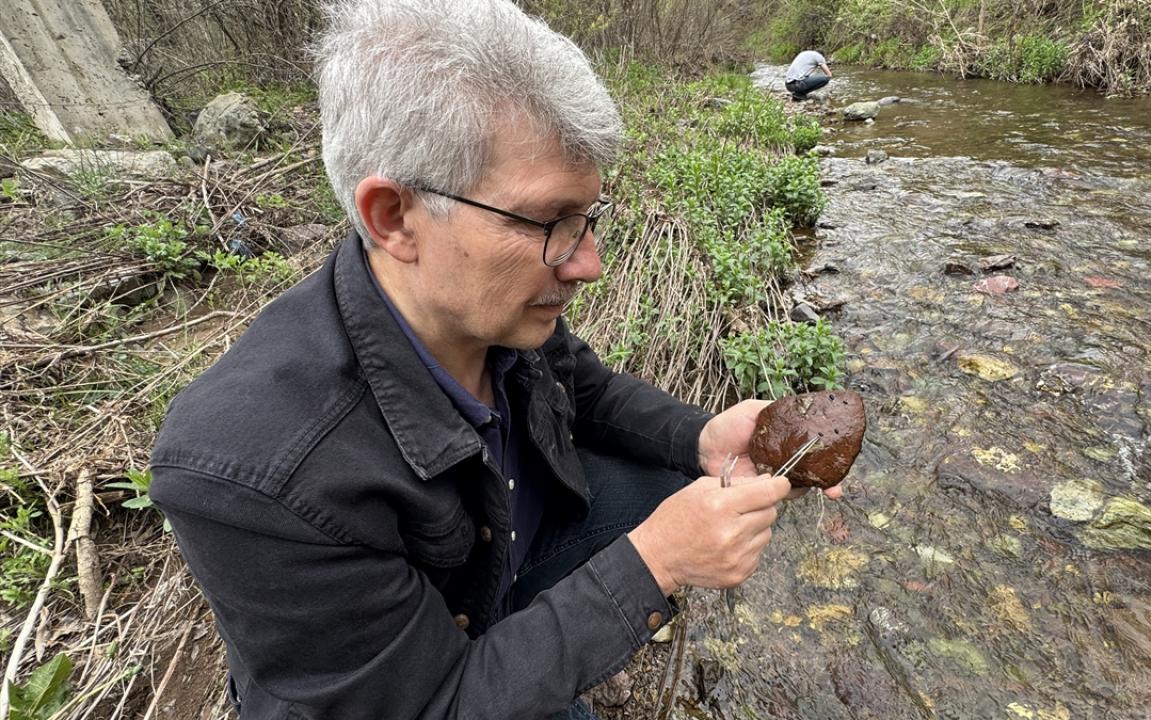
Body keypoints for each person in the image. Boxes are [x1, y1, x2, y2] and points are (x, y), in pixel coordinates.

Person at [149, 1, 843, 718]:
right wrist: (655, 564)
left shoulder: (486, 307)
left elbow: (590, 393)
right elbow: (429, 706)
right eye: (551, 222)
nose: (590, 264)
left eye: (589, 220)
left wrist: (703, 437)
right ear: (394, 217)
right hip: (428, 686)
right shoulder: (252, 473)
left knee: (679, 472)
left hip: (505, 560)